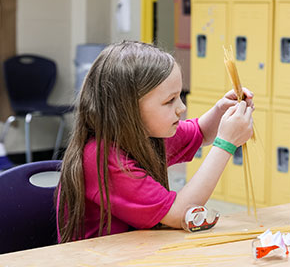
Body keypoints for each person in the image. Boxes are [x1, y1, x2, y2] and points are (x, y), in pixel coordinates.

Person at [56, 41, 254, 242]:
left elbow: (200, 132)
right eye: (170, 101)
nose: (181, 107)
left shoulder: (144, 133)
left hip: (136, 250)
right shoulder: (101, 157)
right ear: (128, 109)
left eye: (179, 97)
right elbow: (180, 213)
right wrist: (226, 144)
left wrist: (221, 110)